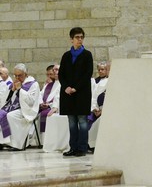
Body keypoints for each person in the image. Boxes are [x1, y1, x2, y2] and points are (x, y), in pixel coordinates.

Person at [58, 27, 93, 157]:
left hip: (82, 93)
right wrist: (66, 87)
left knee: (82, 121)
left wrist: (75, 88)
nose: (80, 39)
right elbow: (61, 75)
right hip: (68, 94)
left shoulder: (87, 54)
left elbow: (87, 74)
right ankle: (73, 147)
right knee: (72, 122)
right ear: (71, 39)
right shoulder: (66, 56)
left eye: (81, 37)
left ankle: (82, 148)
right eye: (77, 37)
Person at [0, 63, 40, 150]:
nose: (17, 78)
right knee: (1, 114)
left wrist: (19, 89)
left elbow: (31, 101)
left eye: (20, 75)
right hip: (13, 108)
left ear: (26, 74)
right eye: (15, 75)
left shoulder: (33, 84)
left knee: (10, 116)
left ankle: (17, 144)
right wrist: (12, 90)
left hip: (27, 110)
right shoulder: (16, 82)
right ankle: (2, 142)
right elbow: (6, 99)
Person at [88, 61, 109, 153]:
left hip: (105, 109)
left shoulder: (110, 81)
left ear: (107, 70)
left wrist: (102, 110)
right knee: (87, 120)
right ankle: (89, 144)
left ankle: (96, 144)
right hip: (95, 109)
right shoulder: (94, 81)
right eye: (99, 69)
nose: (100, 71)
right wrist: (94, 108)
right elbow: (93, 96)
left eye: (103, 69)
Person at [39, 64, 60, 133]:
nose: (49, 76)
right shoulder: (48, 85)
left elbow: (58, 98)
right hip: (44, 107)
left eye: (51, 74)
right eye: (47, 75)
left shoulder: (62, 84)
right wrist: (41, 103)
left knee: (44, 114)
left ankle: (44, 139)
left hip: (54, 108)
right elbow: (40, 94)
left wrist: (49, 105)